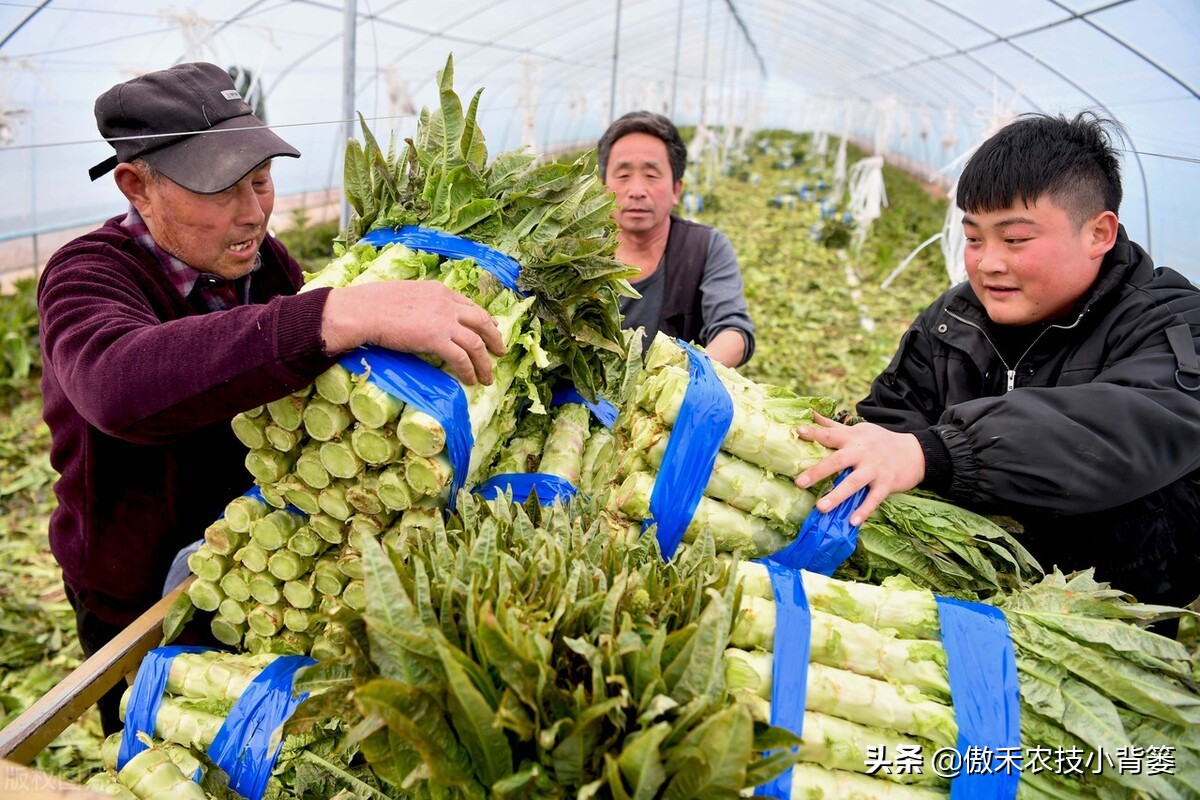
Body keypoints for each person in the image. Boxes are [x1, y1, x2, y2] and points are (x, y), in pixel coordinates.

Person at [38, 62, 505, 733]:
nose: (253, 211)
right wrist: (332, 316)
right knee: (152, 735)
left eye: (261, 180)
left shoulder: (264, 262)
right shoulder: (86, 275)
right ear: (137, 186)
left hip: (259, 562)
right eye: (222, 189)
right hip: (134, 588)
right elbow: (119, 384)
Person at [793, 111, 1200, 614]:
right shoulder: (953, 319)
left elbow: (1124, 430)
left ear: (1099, 233)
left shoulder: (1173, 323)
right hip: (952, 599)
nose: (987, 263)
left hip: (1100, 631)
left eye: (1015, 240)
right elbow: (892, 423)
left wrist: (941, 453)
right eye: (973, 238)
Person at [597, 111, 755, 368]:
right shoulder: (579, 253)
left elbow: (733, 331)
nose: (636, 191)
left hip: (674, 404)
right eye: (623, 176)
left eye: (651, 175)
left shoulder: (705, 247)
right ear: (604, 189)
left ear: (676, 189)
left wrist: (685, 378)